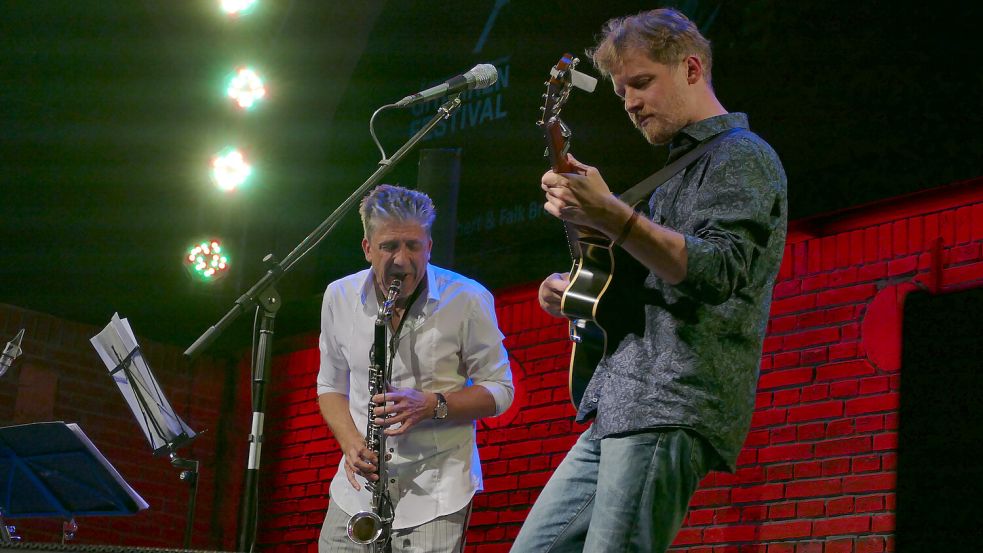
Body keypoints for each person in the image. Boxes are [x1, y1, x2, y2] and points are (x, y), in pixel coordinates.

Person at [512, 8, 787, 553]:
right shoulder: (674, 174)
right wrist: (574, 288)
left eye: (641, 83)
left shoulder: (742, 156)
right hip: (616, 401)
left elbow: (717, 270)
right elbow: (646, 279)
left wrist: (611, 213)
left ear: (690, 69)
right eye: (621, 93)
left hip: (668, 400)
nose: (630, 103)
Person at [317, 184, 514, 553]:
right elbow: (330, 385)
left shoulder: (468, 298)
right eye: (390, 246)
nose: (403, 261)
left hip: (437, 495)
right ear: (367, 248)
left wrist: (433, 404)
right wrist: (350, 441)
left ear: (430, 247)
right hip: (356, 496)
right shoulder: (338, 297)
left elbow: (501, 389)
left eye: (413, 246)